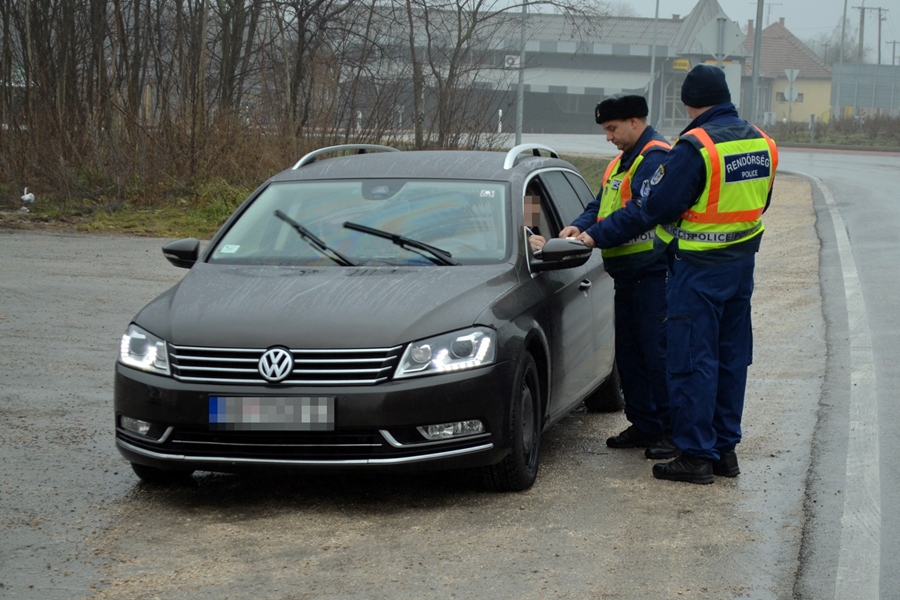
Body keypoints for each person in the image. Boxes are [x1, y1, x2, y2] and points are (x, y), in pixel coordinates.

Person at [575, 64, 778, 484]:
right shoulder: (763, 142)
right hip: (741, 267)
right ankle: (724, 452)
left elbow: (658, 206)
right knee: (730, 361)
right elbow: (762, 202)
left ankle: (696, 454)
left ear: (689, 103)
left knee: (691, 362)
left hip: (697, 270)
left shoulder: (696, 146)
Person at [556, 93, 674, 457]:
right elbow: (599, 205)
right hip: (626, 276)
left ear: (634, 122)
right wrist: (578, 226)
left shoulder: (655, 157)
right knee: (630, 355)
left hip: (653, 274)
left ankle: (670, 431)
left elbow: (641, 211)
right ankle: (644, 425)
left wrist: (594, 236)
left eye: (612, 129)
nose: (608, 137)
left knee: (657, 357)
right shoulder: (621, 163)